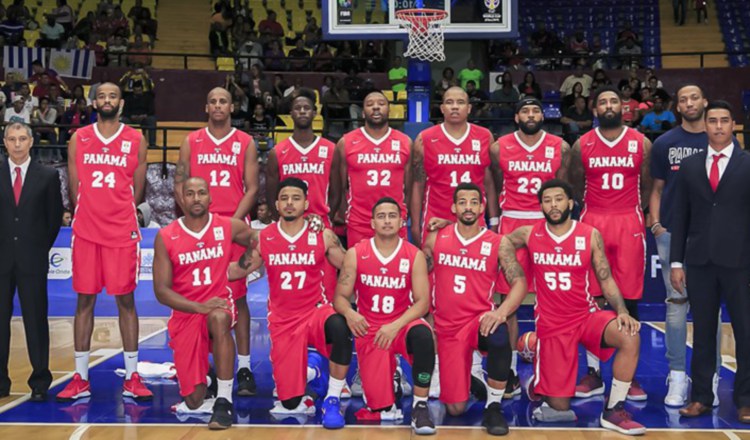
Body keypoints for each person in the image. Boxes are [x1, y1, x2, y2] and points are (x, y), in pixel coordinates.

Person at [502, 179, 645, 435]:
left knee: (629, 334)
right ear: (541, 207)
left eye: (558, 199)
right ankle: (536, 352)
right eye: (547, 201)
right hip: (552, 325)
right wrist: (514, 273)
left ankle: (614, 409)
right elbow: (497, 243)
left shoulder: (589, 235)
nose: (553, 205)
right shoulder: (529, 233)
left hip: (584, 316)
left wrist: (622, 311)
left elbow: (606, 278)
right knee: (558, 410)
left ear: (570, 202)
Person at [230, 177, 352, 429]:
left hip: (315, 312)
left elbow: (349, 266)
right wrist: (196, 266)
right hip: (283, 321)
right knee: (289, 403)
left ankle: (332, 397)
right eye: (284, 198)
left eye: (296, 198)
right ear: (276, 203)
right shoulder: (264, 238)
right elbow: (237, 271)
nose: (289, 203)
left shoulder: (323, 235)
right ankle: (313, 372)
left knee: (340, 325)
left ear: (306, 203)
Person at [56, 83, 152, 402]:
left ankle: (133, 376)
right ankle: (80, 378)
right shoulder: (78, 137)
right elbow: (73, 186)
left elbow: (138, 191)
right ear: (94, 102)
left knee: (126, 300)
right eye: (101, 96)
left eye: (112, 96)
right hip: (86, 230)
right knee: (84, 301)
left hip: (121, 231)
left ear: (120, 103)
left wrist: (117, 210)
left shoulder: (136, 138)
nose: (107, 100)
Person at [422, 183, 527, 436]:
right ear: (453, 207)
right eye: (462, 202)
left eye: (473, 202)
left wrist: (500, 313)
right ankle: (474, 382)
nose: (468, 207)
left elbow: (520, 282)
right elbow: (418, 267)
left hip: (480, 321)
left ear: (482, 207)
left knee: (499, 334)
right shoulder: (437, 236)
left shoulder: (498, 243)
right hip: (447, 328)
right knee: (455, 408)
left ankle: (493, 406)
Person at [175, 87, 260, 397]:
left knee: (237, 299)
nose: (218, 105)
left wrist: (227, 226)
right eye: (212, 101)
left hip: (232, 227)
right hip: (200, 228)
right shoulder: (191, 141)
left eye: (224, 100)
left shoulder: (245, 142)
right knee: (204, 299)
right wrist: (198, 223)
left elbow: (251, 189)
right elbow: (180, 184)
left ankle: (245, 367)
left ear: (232, 106)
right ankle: (209, 366)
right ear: (206, 107)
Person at [569, 86, 652, 401]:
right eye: (602, 101)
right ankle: (593, 374)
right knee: (592, 299)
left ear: (624, 107)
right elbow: (576, 186)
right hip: (594, 220)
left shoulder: (641, 143)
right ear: (594, 109)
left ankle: (627, 376)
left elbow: (645, 185)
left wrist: (632, 212)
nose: (608, 106)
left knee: (629, 300)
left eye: (613, 101)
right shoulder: (581, 144)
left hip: (628, 221)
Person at [670, 101, 750, 423]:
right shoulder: (690, 167)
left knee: (745, 332)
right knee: (702, 332)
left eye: (724, 121)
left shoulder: (748, 164)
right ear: (704, 125)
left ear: (734, 125)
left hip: (740, 262)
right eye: (712, 121)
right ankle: (702, 397)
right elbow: (681, 216)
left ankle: (746, 399)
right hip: (700, 262)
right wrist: (676, 261)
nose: (718, 126)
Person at [649, 84, 728, 407]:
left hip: (712, 234)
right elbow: (656, 188)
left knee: (711, 306)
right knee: (677, 305)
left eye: (694, 97)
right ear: (677, 107)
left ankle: (709, 375)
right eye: (682, 99)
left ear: (705, 102)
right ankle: (678, 374)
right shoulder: (665, 143)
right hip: (672, 233)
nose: (689, 103)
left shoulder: (722, 139)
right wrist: (655, 224)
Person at [489, 98, 571, 398]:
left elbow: (561, 190)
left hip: (546, 227)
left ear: (543, 115)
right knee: (507, 301)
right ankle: (509, 371)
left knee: (550, 301)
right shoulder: (500, 146)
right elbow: (493, 181)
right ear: (516, 116)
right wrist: (495, 219)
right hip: (511, 224)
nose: (531, 115)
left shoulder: (559, 146)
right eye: (525, 110)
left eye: (536, 110)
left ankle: (547, 370)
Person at [334, 197, 436, 434]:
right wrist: (350, 313)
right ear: (372, 223)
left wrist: (395, 325)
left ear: (402, 221)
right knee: (381, 408)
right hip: (369, 329)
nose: (387, 221)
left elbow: (423, 303)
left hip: (402, 324)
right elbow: (339, 297)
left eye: (392, 216)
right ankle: (392, 380)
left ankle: (420, 407)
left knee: (423, 335)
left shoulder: (414, 255)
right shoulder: (356, 253)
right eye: (381, 216)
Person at [0, 122, 62, 402]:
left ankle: (40, 381)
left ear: (31, 141)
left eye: (22, 138)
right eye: (11, 139)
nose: (16, 144)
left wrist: (36, 249)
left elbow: (53, 219)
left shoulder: (47, 176)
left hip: (32, 261)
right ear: (4, 141)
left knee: (35, 321)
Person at [266, 88, 341, 300]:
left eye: (306, 108)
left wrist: (326, 216)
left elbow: (336, 192)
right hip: (290, 227)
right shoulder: (278, 152)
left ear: (315, 112)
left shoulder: (330, 149)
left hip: (321, 227)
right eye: (297, 108)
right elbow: (272, 194)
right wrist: (283, 220)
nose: (302, 111)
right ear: (291, 113)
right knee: (292, 291)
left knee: (326, 289)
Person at [410, 86, 497, 247]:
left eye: (460, 102)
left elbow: (489, 182)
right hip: (435, 217)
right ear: (442, 109)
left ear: (469, 108)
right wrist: (415, 224)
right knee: (434, 269)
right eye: (449, 102)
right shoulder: (425, 139)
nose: (455, 106)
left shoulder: (485, 136)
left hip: (474, 219)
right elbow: (418, 184)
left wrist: (494, 219)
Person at [336, 90, 411, 247]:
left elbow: (410, 188)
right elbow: (339, 187)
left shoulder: (405, 142)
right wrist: (347, 214)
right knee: (360, 268)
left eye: (381, 104)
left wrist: (403, 215)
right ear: (363, 113)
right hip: (359, 222)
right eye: (370, 105)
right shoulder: (346, 142)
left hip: (394, 222)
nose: (376, 107)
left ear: (388, 110)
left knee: (395, 269)